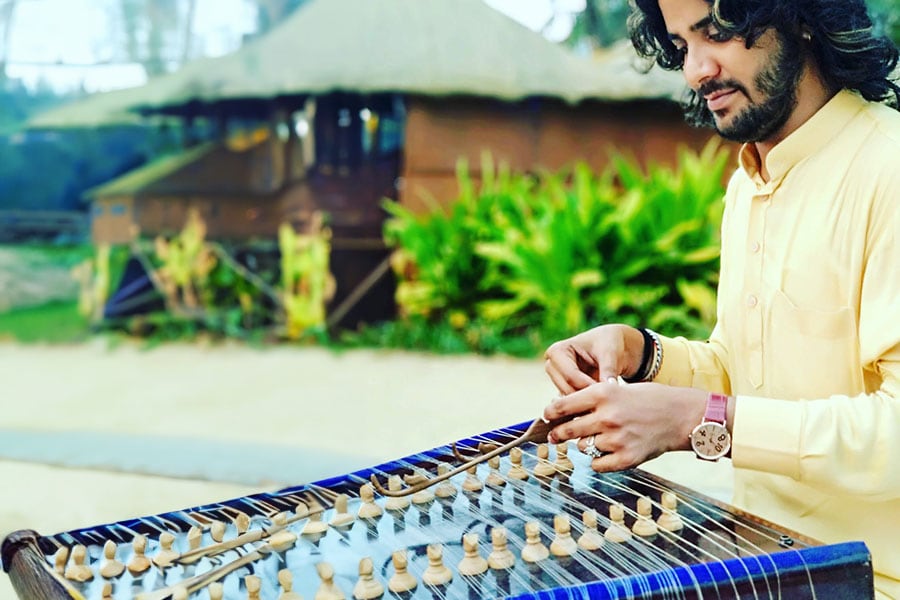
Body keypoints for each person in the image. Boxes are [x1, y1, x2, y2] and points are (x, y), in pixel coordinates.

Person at [541, 0, 900, 597]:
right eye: (681, 46)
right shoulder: (747, 183)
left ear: (802, 17)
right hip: (757, 557)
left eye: (716, 33)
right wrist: (643, 354)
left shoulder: (888, 169)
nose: (695, 70)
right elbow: (746, 374)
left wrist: (698, 421)